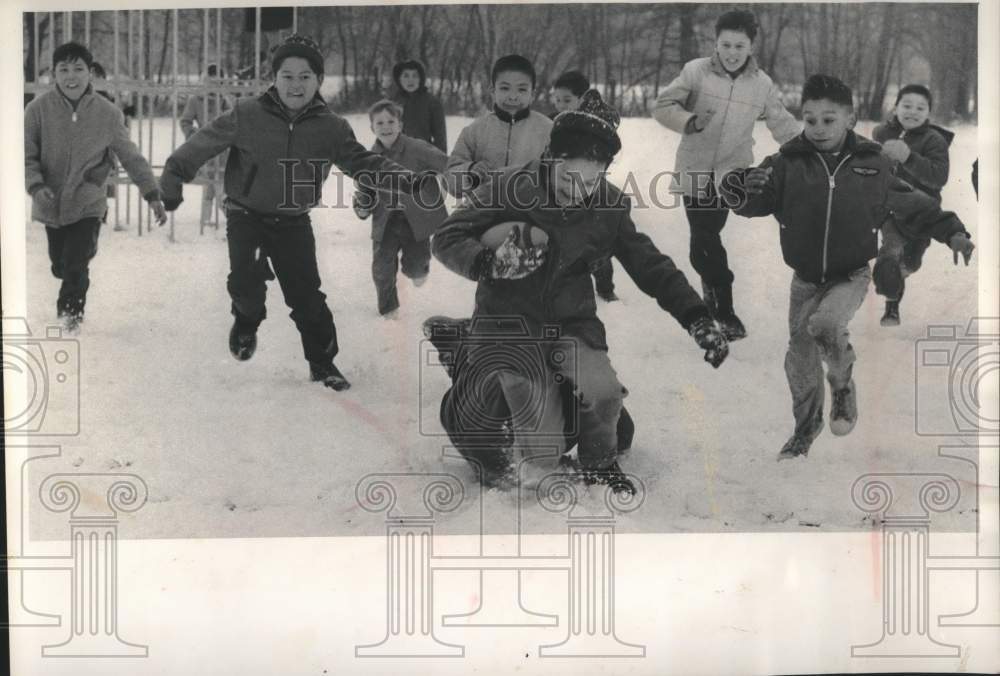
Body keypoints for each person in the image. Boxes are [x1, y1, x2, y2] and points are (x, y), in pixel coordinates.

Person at [427, 90, 729, 495]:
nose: (580, 190)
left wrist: (696, 316)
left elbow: (649, 264)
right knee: (526, 457)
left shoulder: (607, 205)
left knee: (607, 406)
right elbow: (446, 236)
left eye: (592, 180)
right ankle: (464, 355)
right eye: (570, 177)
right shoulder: (506, 187)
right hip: (508, 324)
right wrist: (486, 262)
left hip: (570, 323)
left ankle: (598, 464)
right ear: (551, 159)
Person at [159, 34, 433, 392]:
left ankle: (323, 362)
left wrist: (406, 181)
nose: (296, 84)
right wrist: (173, 176)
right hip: (246, 215)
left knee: (306, 295)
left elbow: (363, 162)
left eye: (306, 76)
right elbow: (202, 143)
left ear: (319, 81)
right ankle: (246, 320)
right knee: (245, 283)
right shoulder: (247, 114)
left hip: (292, 221)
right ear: (274, 78)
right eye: (287, 75)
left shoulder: (331, 127)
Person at [724, 74, 974, 460]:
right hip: (805, 279)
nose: (818, 128)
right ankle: (804, 432)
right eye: (810, 120)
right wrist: (739, 187)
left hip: (852, 272)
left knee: (824, 324)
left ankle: (841, 382)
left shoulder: (873, 163)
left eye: (829, 119)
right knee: (800, 356)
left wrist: (953, 231)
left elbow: (917, 205)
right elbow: (752, 203)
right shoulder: (787, 162)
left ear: (850, 119)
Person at [653, 9, 799, 341]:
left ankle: (724, 309)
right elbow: (662, 106)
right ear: (715, 44)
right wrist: (689, 121)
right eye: (726, 45)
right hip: (694, 168)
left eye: (739, 46)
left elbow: (781, 122)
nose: (732, 53)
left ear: (751, 46)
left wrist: (808, 149)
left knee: (707, 237)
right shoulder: (696, 72)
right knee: (702, 241)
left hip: (732, 172)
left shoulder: (760, 84)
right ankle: (718, 297)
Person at [24, 42, 167, 333]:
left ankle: (70, 316)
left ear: (91, 74)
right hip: (50, 203)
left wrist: (151, 193)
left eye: (78, 69)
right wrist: (36, 185)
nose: (71, 76)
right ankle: (72, 271)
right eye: (63, 69)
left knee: (76, 263)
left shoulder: (108, 114)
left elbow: (130, 155)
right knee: (60, 265)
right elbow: (26, 153)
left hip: (88, 200)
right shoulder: (37, 110)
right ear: (53, 74)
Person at [353, 100, 448, 317]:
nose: (386, 127)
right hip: (385, 220)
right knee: (382, 268)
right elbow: (363, 186)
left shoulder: (417, 148)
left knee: (415, 264)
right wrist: (362, 205)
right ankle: (388, 307)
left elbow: (446, 163)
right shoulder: (370, 157)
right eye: (380, 123)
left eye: (391, 121)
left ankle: (417, 269)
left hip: (416, 219)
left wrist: (460, 178)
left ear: (400, 124)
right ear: (372, 128)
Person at [872, 84, 955, 326]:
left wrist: (908, 157)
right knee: (890, 252)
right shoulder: (885, 134)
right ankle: (891, 305)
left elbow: (939, 176)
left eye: (920, 107)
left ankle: (899, 273)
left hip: (923, 213)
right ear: (895, 108)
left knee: (911, 262)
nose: (912, 112)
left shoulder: (934, 140)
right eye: (906, 106)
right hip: (892, 209)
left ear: (928, 113)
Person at [550, 69, 618, 302]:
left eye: (566, 100)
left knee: (595, 234)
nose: (561, 105)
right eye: (557, 100)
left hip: (590, 185)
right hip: (564, 185)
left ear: (582, 98)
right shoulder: (557, 121)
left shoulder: (596, 122)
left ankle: (605, 287)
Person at [444, 54, 553, 198]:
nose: (513, 96)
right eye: (505, 88)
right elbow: (450, 176)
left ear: (532, 94)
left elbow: (563, 172)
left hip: (531, 211)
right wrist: (469, 172)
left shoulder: (549, 130)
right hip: (481, 210)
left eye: (522, 89)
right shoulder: (475, 131)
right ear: (492, 91)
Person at [180, 64, 231, 226]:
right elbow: (185, 121)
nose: (215, 85)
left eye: (219, 82)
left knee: (220, 182)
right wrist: (195, 135)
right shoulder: (195, 100)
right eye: (212, 81)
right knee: (210, 182)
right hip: (204, 148)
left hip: (223, 148)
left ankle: (218, 214)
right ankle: (211, 216)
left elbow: (233, 120)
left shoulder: (224, 100)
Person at [391, 59, 447, 153]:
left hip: (423, 156)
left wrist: (440, 161)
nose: (410, 80)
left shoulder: (432, 102)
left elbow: (440, 138)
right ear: (399, 79)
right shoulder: (391, 102)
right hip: (396, 157)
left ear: (421, 79)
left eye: (415, 76)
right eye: (406, 76)